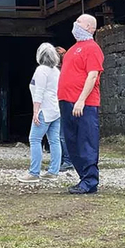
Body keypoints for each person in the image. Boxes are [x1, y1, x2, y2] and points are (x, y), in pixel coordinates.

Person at [57, 13, 104, 194]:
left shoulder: (92, 48)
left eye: (79, 22)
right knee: (72, 141)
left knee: (86, 140)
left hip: (84, 104)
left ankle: (90, 180)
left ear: (90, 28)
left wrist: (81, 100)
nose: (75, 24)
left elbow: (92, 75)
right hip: (67, 101)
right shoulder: (72, 50)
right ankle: (84, 177)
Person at [18, 43, 62, 183]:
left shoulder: (41, 70)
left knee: (34, 139)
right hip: (55, 109)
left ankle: (34, 172)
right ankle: (53, 171)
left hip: (44, 109)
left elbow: (39, 92)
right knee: (54, 140)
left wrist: (35, 111)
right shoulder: (56, 71)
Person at [55, 46, 74, 172]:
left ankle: (67, 161)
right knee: (60, 134)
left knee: (61, 134)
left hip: (62, 102)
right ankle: (63, 159)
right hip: (64, 102)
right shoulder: (66, 69)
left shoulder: (61, 71)